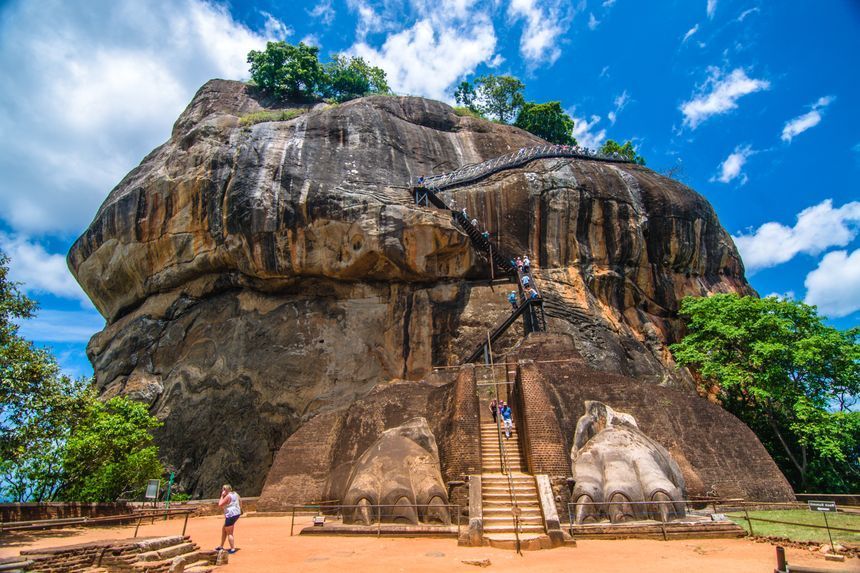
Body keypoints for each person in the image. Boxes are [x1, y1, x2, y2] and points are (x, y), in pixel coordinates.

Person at [217, 484, 241, 554]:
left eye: (223, 489)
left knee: (229, 533)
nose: (223, 490)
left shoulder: (228, 496)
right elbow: (240, 501)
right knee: (224, 529)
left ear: (226, 490)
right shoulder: (235, 494)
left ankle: (232, 549)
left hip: (231, 515)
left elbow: (220, 504)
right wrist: (240, 509)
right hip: (236, 513)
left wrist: (222, 496)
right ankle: (221, 546)